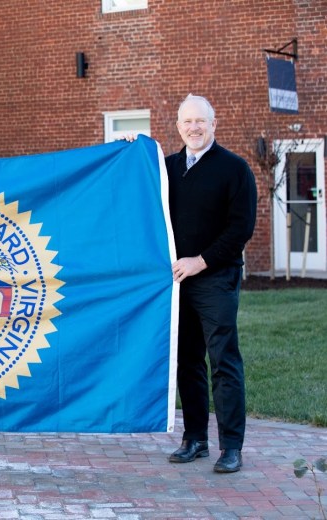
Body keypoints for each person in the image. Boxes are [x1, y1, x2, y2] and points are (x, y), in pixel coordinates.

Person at [163, 94, 257, 473]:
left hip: (216, 278)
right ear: (178, 126)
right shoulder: (166, 168)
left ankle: (231, 446)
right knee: (187, 362)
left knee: (223, 362)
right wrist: (129, 151)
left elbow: (240, 229)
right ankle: (195, 439)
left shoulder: (235, 169)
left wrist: (200, 261)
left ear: (214, 124)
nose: (194, 128)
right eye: (187, 121)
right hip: (177, 282)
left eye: (201, 121)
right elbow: (132, 187)